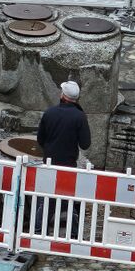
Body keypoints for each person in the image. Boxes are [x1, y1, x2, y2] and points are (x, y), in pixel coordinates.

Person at [34, 80, 92, 237]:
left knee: (45, 201)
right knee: (71, 201)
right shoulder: (80, 117)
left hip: (50, 163)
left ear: (62, 95)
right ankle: (73, 235)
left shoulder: (49, 113)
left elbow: (40, 139)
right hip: (68, 165)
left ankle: (39, 232)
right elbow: (85, 144)